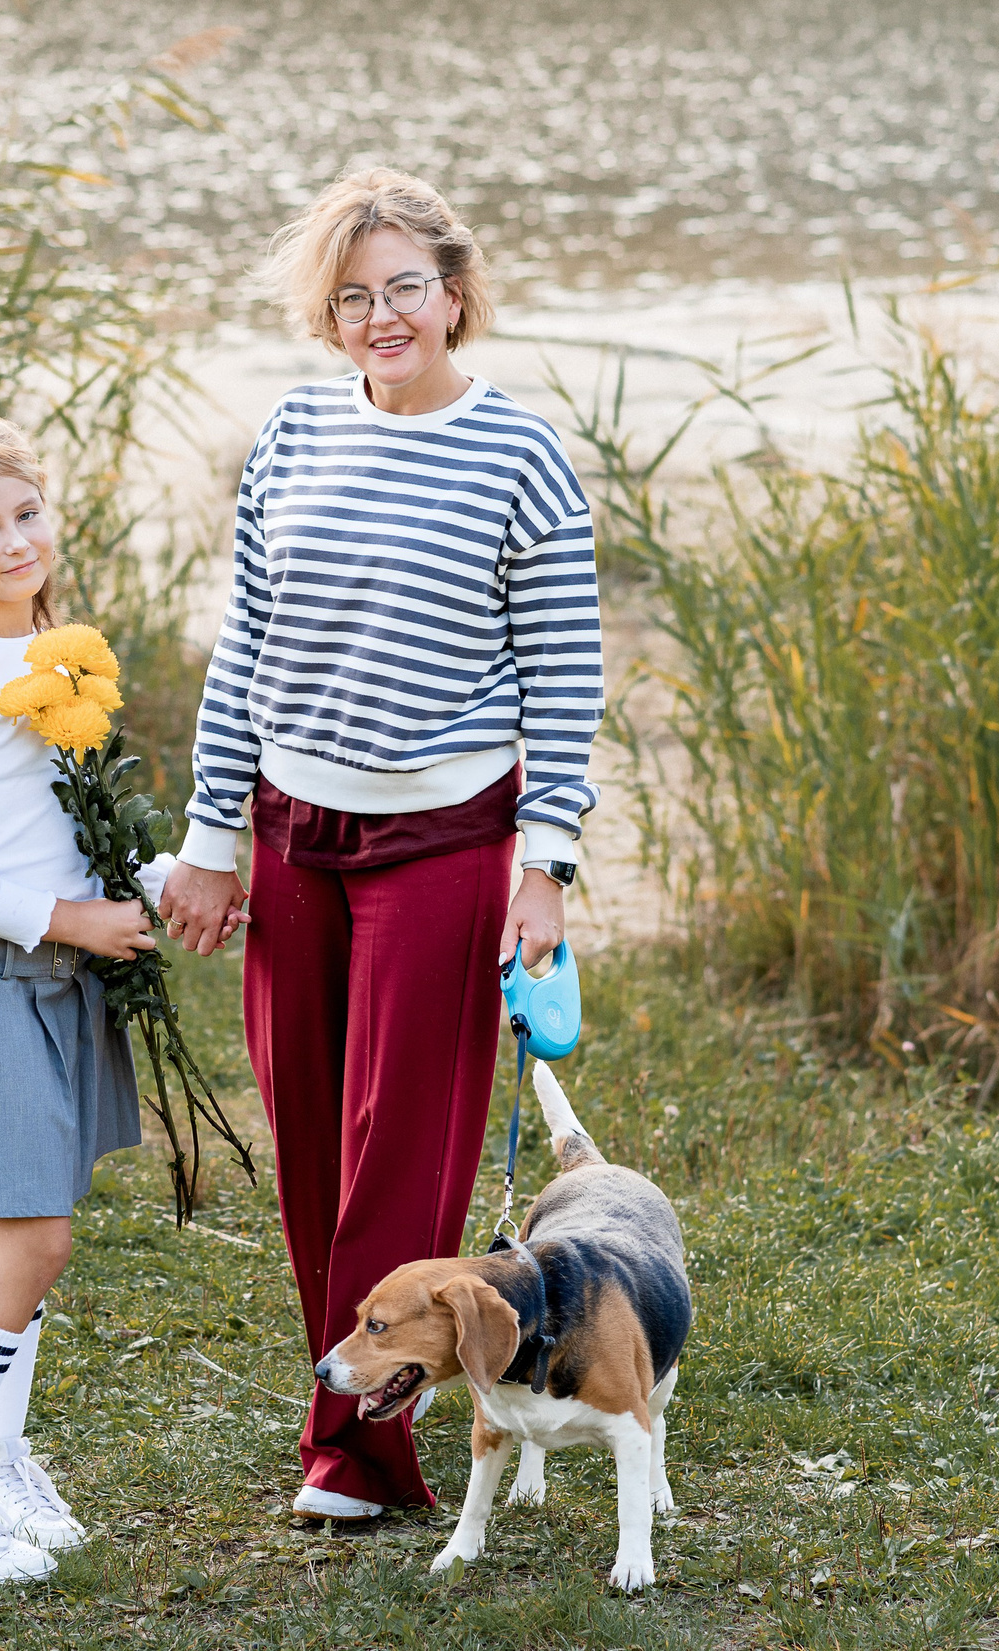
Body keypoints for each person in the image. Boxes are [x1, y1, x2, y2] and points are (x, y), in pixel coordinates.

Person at [155, 169, 604, 1519]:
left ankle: (352, 1448)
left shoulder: (520, 456)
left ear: (455, 296)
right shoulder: (291, 433)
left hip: (443, 840)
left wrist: (547, 859)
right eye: (352, 295)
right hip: (293, 832)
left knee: (396, 1147)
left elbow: (565, 672)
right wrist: (211, 834)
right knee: (306, 1141)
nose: (379, 314)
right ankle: (363, 1413)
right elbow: (245, 644)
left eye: (405, 286)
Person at [0, 412, 232, 1583]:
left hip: (51, 981)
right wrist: (69, 922)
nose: (15, 541)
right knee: (33, 1244)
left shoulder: (55, 654)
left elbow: (60, 836)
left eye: (26, 514)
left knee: (0, 1242)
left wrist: (176, 880)